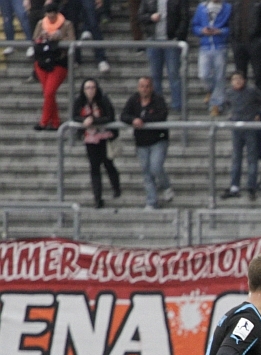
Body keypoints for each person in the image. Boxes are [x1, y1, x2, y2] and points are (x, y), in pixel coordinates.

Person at [120, 76, 173, 210]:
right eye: (142, 86)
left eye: (147, 86)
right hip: (141, 142)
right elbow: (123, 115)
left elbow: (162, 115)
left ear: (152, 87)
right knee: (146, 172)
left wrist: (143, 120)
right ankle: (152, 201)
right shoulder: (133, 99)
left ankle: (166, 185)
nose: (144, 89)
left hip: (158, 140)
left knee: (155, 167)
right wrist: (133, 120)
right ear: (138, 87)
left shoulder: (158, 100)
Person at [73, 78, 121, 209]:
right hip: (90, 137)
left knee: (108, 163)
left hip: (104, 136)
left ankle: (116, 187)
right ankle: (98, 198)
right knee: (94, 167)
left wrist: (94, 120)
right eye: (87, 88)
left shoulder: (103, 99)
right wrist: (84, 120)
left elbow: (110, 116)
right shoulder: (80, 101)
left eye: (92, 87)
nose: (90, 90)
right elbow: (74, 116)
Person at [220, 72, 261, 201]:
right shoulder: (229, 93)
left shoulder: (252, 91)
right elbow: (225, 105)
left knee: (252, 157)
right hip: (236, 128)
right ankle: (234, 186)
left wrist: (259, 114)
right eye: (234, 79)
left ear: (244, 80)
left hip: (250, 127)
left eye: (240, 78)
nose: (237, 81)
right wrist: (229, 115)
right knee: (236, 157)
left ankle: (251, 186)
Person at [139, 0, 189, 112]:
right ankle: (157, 105)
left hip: (171, 41)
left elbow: (184, 17)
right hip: (153, 41)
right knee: (155, 75)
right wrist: (151, 17)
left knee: (174, 74)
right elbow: (140, 16)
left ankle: (177, 105)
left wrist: (178, 36)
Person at [32, 2, 73, 131]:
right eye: (48, 15)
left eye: (52, 15)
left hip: (58, 62)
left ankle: (43, 122)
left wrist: (59, 38)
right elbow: (34, 39)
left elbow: (72, 40)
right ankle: (55, 122)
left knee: (49, 92)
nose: (50, 18)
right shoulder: (40, 23)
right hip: (42, 62)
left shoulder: (67, 24)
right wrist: (42, 36)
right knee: (48, 94)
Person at [191, 0, 231, 117]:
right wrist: (201, 31)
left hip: (220, 46)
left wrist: (221, 31)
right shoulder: (201, 7)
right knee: (203, 74)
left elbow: (232, 26)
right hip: (205, 45)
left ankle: (216, 105)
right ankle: (212, 91)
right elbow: (195, 25)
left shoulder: (227, 8)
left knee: (219, 76)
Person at [231, 0, 261, 94]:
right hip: (238, 42)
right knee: (240, 75)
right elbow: (231, 19)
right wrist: (233, 39)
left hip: (255, 42)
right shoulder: (235, 2)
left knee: (258, 74)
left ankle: (260, 101)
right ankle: (242, 101)